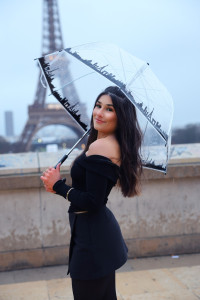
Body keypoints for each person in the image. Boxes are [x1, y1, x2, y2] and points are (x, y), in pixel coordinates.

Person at [41, 86, 142, 300]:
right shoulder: (109, 143)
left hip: (92, 239)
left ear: (120, 116)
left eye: (109, 109)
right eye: (98, 106)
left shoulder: (102, 147)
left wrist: (58, 186)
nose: (99, 113)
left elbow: (93, 201)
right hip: (97, 235)